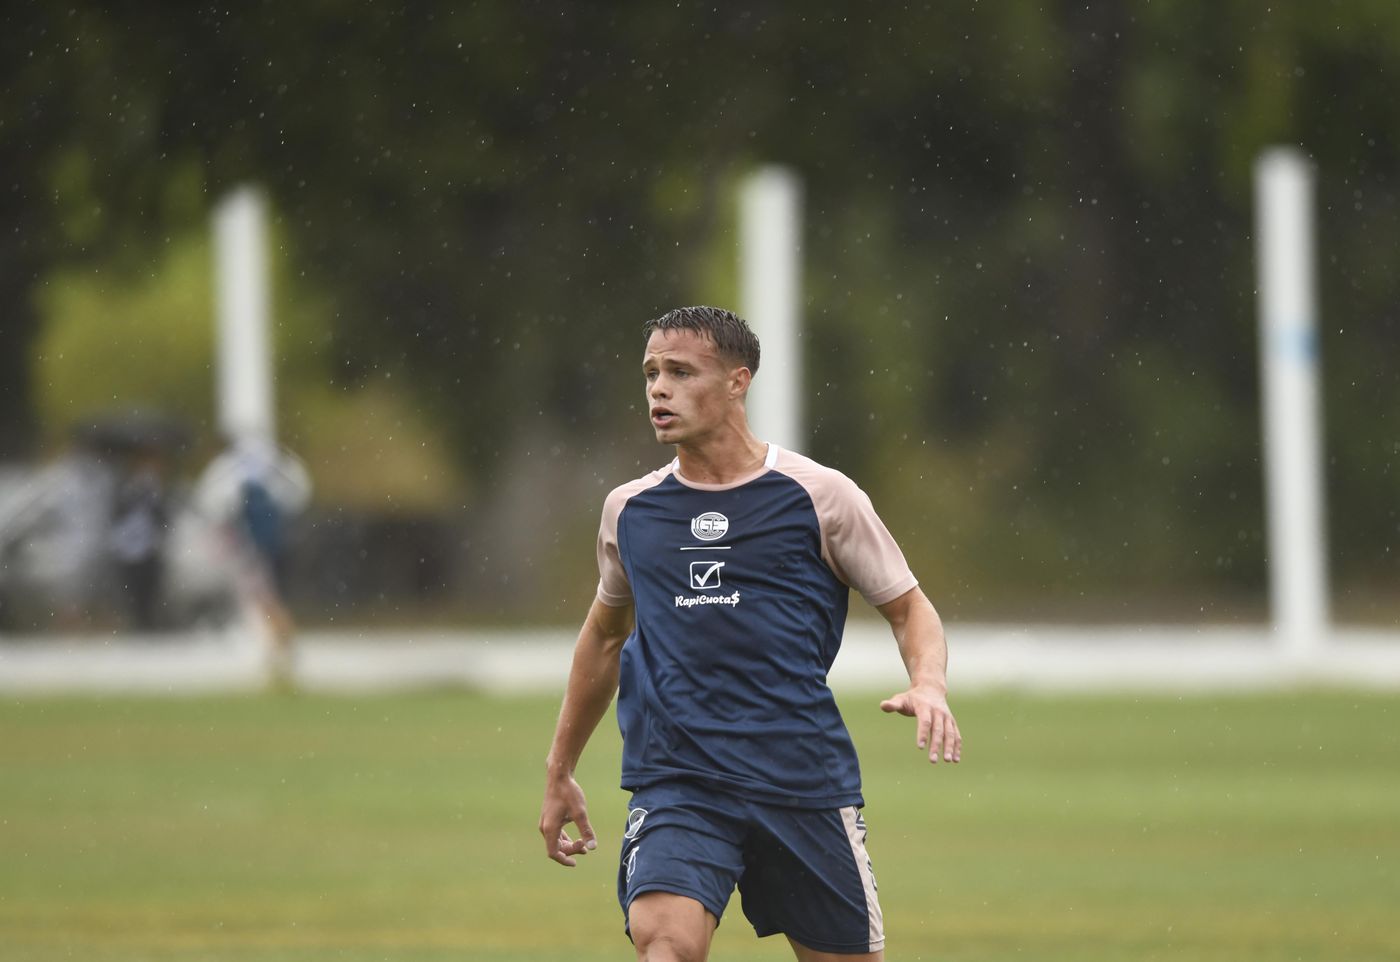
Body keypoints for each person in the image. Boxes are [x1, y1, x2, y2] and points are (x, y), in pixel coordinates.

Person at [539, 306, 962, 961]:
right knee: (665, 945)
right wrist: (560, 766)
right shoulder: (631, 510)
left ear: (738, 382)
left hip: (801, 781)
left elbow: (910, 609)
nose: (659, 388)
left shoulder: (820, 496)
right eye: (651, 372)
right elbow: (603, 637)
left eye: (681, 372)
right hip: (679, 782)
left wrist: (928, 683)